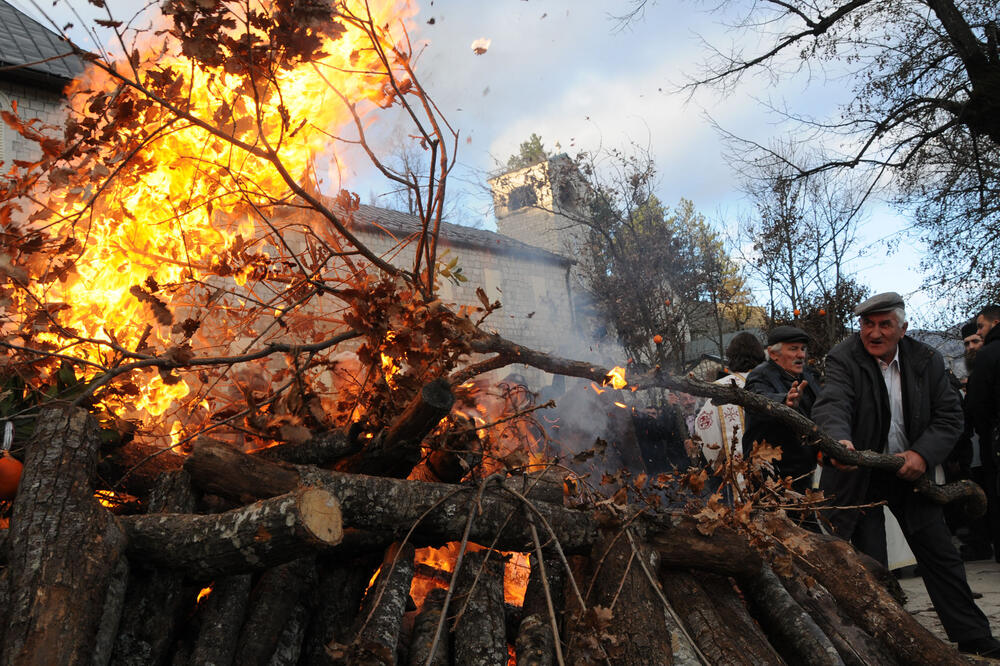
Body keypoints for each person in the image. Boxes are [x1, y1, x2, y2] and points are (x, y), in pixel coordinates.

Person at [812, 292, 1000, 657]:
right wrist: (840, 442)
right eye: (868, 324)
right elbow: (833, 402)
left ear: (903, 328)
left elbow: (950, 417)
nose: (875, 333)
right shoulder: (842, 357)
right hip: (857, 472)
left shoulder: (925, 359)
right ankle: (877, 639)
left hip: (909, 472)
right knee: (869, 561)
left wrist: (921, 454)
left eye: (884, 324)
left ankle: (973, 635)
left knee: (940, 551)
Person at [742, 326, 820, 493]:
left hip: (803, 473)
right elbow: (757, 400)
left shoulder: (808, 376)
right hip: (771, 477)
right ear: (773, 354)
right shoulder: (759, 376)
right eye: (793, 349)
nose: (801, 355)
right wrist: (783, 401)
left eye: (802, 349)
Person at [695, 332, 766, 466]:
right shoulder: (769, 383)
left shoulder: (720, 388)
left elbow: (704, 428)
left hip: (737, 472)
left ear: (731, 357)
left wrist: (718, 463)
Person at [966, 305, 1000, 562]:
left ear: (995, 324)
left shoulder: (989, 355)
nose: (979, 331)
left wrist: (984, 429)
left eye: (981, 326)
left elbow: (977, 403)